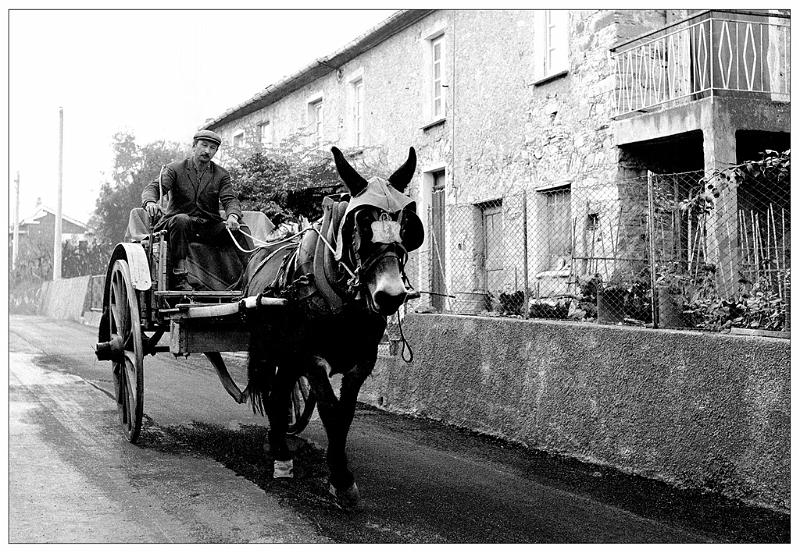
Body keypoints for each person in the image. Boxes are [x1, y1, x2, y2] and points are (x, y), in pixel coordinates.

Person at [142, 129, 252, 291]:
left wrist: (233, 216)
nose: (207, 151)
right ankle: (180, 276)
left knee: (240, 229)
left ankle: (252, 273)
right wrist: (150, 202)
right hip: (177, 226)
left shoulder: (221, 175)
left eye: (212, 148)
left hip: (207, 227)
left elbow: (230, 199)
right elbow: (153, 189)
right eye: (204, 145)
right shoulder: (175, 169)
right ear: (194, 146)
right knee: (182, 220)